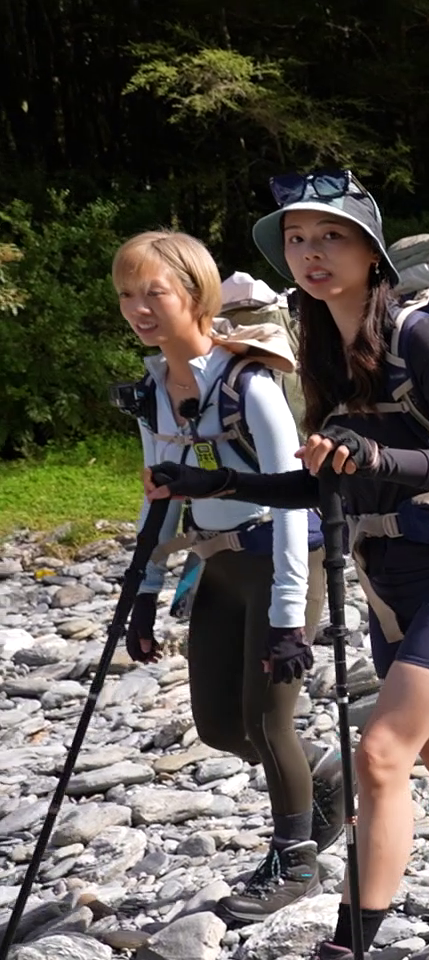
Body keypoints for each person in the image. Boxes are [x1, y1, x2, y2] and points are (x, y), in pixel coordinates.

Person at [149, 170, 429, 960]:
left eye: (331, 237)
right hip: (388, 575)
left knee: (380, 755)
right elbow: (322, 480)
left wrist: (376, 455)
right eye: (297, 240)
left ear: (371, 252)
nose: (311, 254)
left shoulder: (419, 334)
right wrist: (218, 480)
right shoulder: (317, 342)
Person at [113, 229, 344, 923]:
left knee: (267, 721)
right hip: (217, 565)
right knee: (218, 727)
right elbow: (158, 494)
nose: (138, 308)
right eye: (127, 295)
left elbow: (293, 499)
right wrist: (143, 595)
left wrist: (287, 619)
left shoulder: (250, 384)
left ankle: (293, 860)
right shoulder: (154, 391)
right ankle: (326, 771)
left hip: (281, 561)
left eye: (153, 292)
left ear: (195, 294)